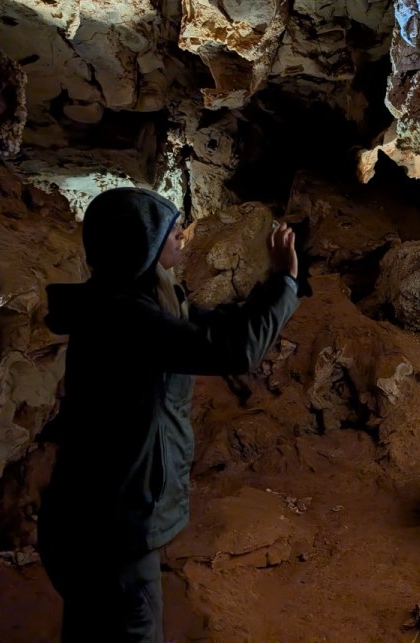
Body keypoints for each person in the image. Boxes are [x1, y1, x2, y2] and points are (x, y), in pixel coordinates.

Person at [37, 186, 300, 641]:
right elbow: (232, 350)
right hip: (110, 529)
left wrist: (273, 292)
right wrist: (285, 281)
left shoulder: (134, 298)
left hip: (93, 516)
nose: (183, 236)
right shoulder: (126, 317)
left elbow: (212, 325)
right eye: (171, 230)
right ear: (139, 244)